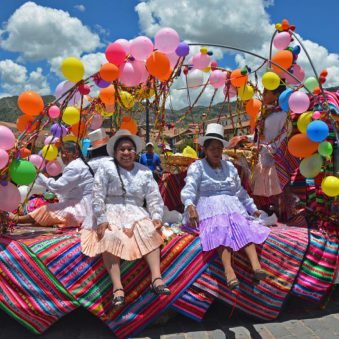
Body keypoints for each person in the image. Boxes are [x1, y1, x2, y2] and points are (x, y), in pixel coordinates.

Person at [80, 130, 170, 308]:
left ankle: (156, 278)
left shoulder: (144, 171)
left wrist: (157, 216)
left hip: (136, 211)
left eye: (130, 149)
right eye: (122, 149)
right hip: (111, 209)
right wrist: (102, 218)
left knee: (150, 231)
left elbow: (153, 197)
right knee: (108, 236)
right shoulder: (106, 168)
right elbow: (97, 194)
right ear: (115, 152)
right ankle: (117, 287)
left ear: (135, 152)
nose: (126, 153)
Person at [181, 123, 270, 290]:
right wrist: (190, 205)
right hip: (209, 206)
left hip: (232, 206)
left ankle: (256, 266)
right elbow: (189, 188)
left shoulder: (229, 167)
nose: (216, 152)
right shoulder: (197, 167)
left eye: (219, 148)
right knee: (220, 226)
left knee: (243, 224)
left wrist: (253, 209)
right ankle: (229, 271)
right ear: (205, 150)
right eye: (212, 148)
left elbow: (240, 192)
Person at [9, 141, 94, 228]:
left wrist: (38, 174)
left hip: (82, 209)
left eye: (66, 153)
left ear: (76, 153)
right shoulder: (78, 164)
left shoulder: (75, 166)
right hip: (81, 204)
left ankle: (18, 219)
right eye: (62, 153)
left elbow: (58, 187)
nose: (63, 156)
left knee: (46, 210)